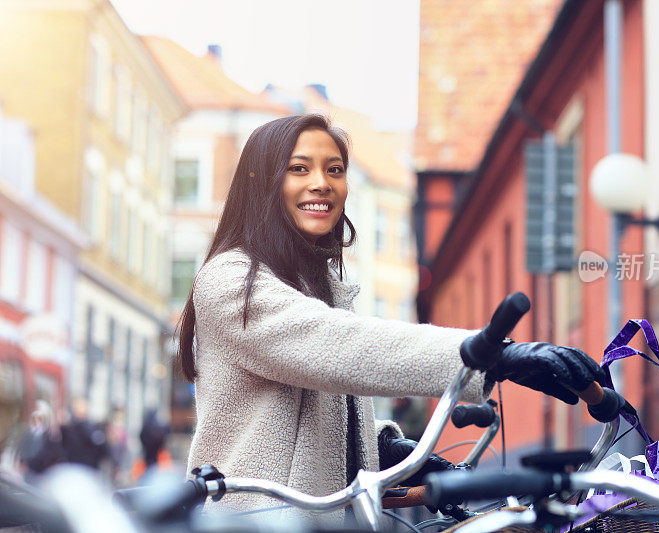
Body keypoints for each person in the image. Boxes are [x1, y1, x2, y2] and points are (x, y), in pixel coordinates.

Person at [177, 114, 602, 518]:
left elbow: (327, 409)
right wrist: (493, 355)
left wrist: (394, 452)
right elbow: (337, 346)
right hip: (253, 521)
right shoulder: (231, 279)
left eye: (335, 170)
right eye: (299, 169)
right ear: (261, 183)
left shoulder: (320, 285)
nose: (322, 183)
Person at [18, 400, 64, 480]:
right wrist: (22, 462)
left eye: (39, 418)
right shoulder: (29, 433)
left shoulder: (50, 436)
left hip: (42, 474)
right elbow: (24, 449)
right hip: (28, 473)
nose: (36, 421)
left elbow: (55, 455)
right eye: (34, 418)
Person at [60, 397, 108, 470]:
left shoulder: (93, 429)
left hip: (88, 469)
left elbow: (102, 450)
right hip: (73, 469)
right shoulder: (67, 429)